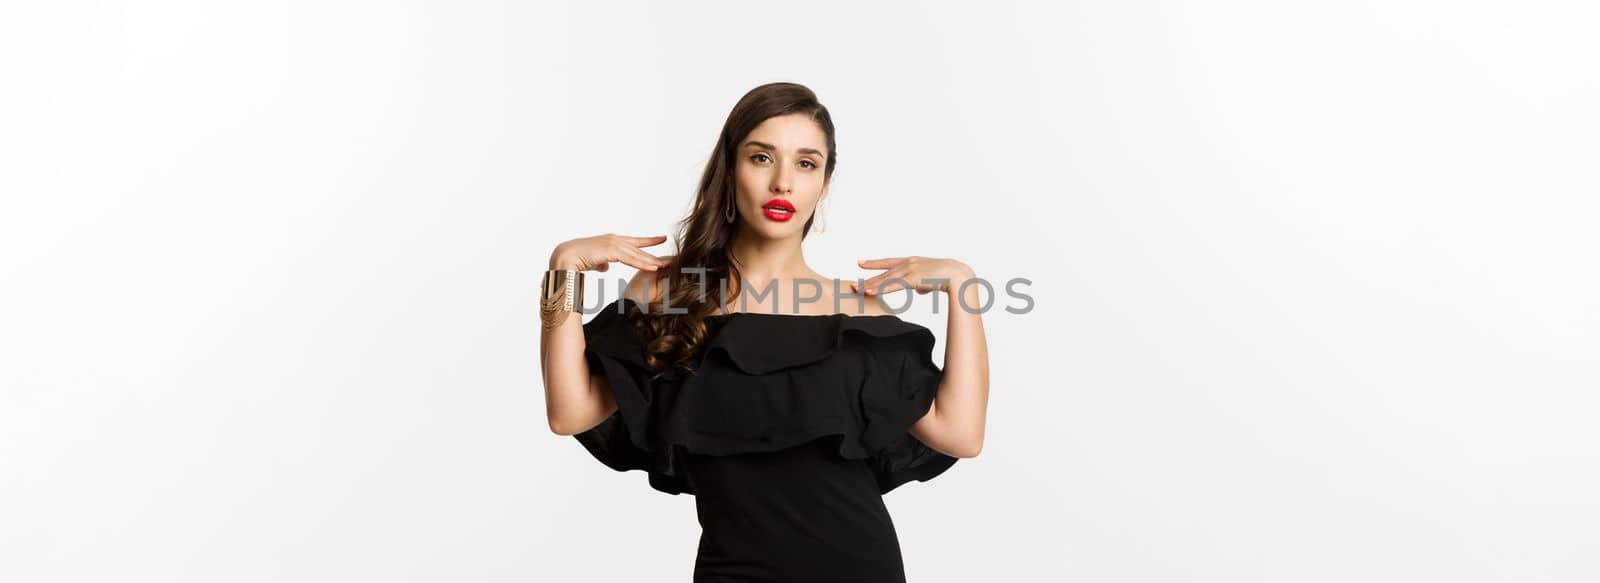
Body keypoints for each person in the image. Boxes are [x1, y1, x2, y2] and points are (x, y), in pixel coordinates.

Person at [539, 82, 991, 582]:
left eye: (805, 164)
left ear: (824, 182)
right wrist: (564, 270)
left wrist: (962, 287)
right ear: (730, 170)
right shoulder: (667, 292)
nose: (783, 183)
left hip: (859, 565)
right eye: (761, 158)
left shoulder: (856, 309)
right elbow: (570, 411)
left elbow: (960, 434)